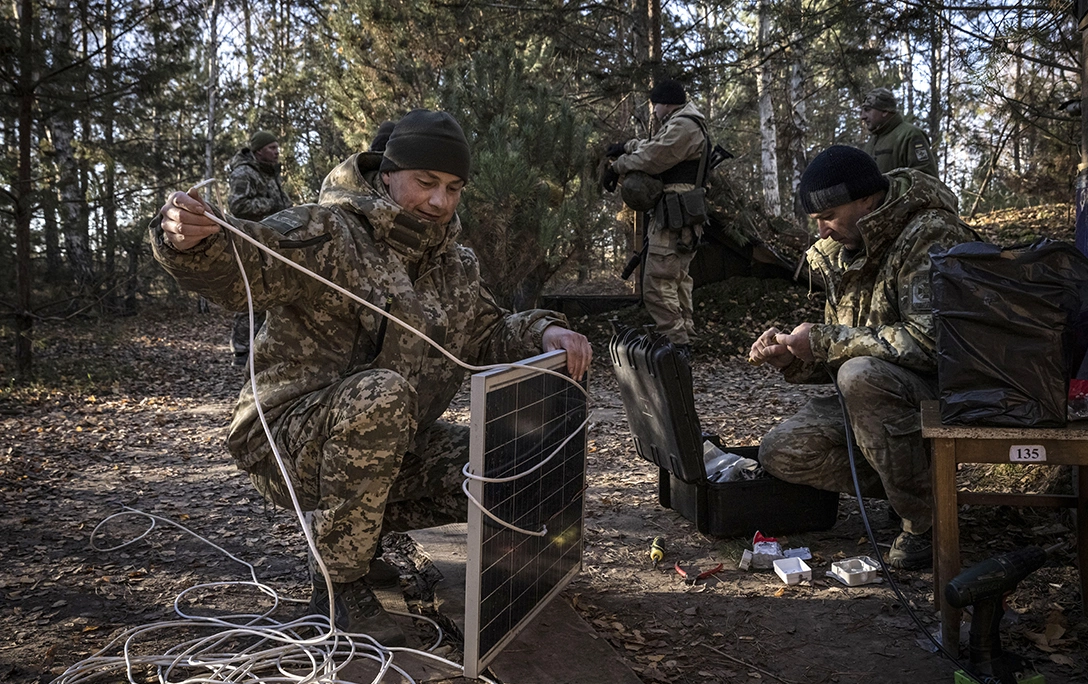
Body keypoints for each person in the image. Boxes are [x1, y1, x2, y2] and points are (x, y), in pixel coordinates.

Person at [151, 109, 593, 645]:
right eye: (425, 182)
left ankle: (357, 537)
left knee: (503, 461)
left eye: (454, 188)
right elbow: (247, 256)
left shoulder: (454, 264)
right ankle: (339, 587)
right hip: (285, 441)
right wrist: (191, 241)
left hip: (383, 440)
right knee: (381, 394)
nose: (440, 201)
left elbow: (488, 330)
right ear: (387, 174)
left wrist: (545, 332)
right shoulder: (329, 232)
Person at [748, 145, 974, 569]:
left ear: (867, 200)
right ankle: (915, 486)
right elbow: (849, 345)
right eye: (816, 220)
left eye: (829, 216)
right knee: (781, 451)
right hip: (877, 399)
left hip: (942, 394)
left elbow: (930, 341)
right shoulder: (842, 249)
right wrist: (793, 358)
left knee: (860, 374)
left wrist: (823, 340)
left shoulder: (929, 234)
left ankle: (925, 522)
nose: (822, 232)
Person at [604, 79, 709, 355]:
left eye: (655, 105)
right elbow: (654, 145)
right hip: (679, 218)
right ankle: (684, 340)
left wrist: (617, 167)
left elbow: (652, 157)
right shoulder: (683, 124)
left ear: (664, 104)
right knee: (676, 280)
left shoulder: (684, 126)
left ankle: (676, 345)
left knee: (657, 283)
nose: (653, 111)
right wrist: (626, 146)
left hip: (675, 218)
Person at [227, 130, 293, 366]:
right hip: (250, 242)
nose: (276, 152)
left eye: (277, 147)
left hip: (271, 242)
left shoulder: (270, 173)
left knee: (271, 293)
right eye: (271, 148)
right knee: (251, 294)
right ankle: (242, 349)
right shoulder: (245, 172)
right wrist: (272, 204)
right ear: (258, 151)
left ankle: (263, 348)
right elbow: (237, 205)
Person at [860, 88, 938, 177]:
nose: (862, 117)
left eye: (867, 110)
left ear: (885, 111)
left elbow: (925, 177)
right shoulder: (872, 141)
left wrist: (890, 184)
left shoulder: (911, 135)